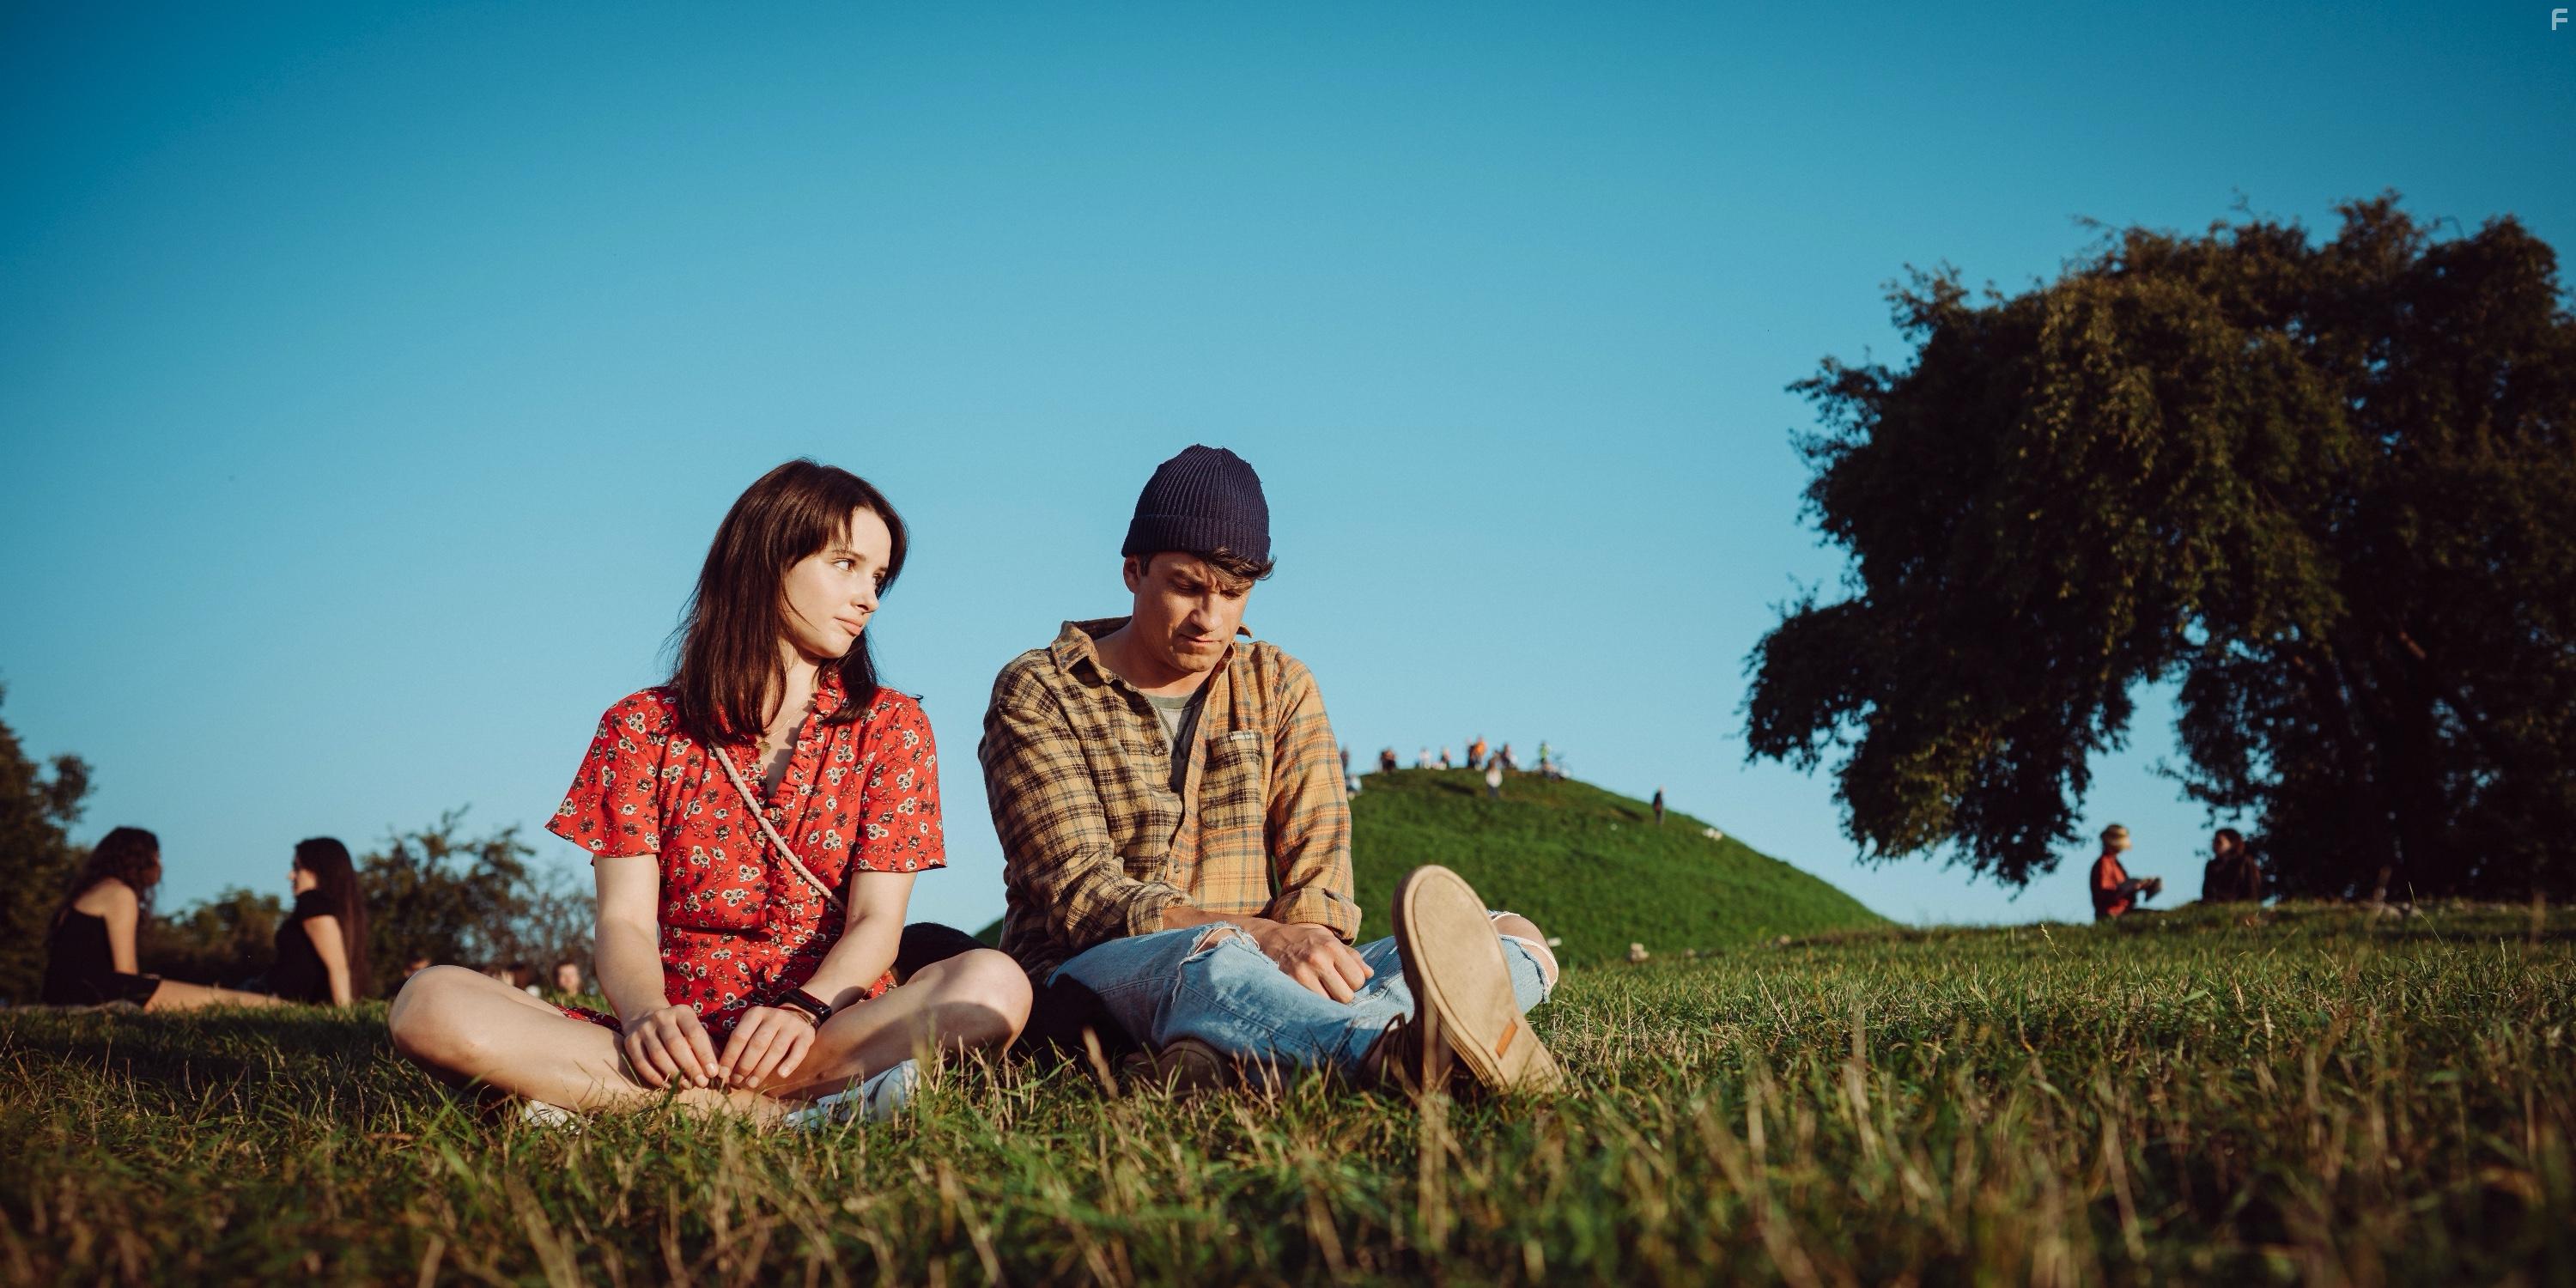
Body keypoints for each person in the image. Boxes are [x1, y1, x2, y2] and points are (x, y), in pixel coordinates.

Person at [389, 459, 1030, 1127]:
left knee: (994, 982)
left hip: (825, 1028)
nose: (868, 596)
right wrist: (647, 1018)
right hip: (670, 1037)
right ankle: (784, 1116)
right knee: (428, 1002)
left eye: (878, 577)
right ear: (766, 558)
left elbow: (877, 922)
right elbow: (624, 922)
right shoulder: (639, 726)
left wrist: (804, 1009)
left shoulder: (891, 725)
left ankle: (619, 1107)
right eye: (845, 564)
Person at [977, 445, 1564, 1095]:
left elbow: (1320, 864)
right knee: (1211, 956)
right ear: (1133, 569)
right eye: (1186, 586)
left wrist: (1306, 941)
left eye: (1234, 593)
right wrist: (1256, 938)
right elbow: (1082, 897)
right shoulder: (1040, 691)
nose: (1211, 618)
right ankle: (1383, 1054)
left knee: (1513, 936)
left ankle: (1232, 1057)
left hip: (1269, 971)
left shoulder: (1280, 683)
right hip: (1099, 976)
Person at [42, 827, 285, 1011]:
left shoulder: (89, 893)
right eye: (156, 857)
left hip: (62, 992)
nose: (160, 865)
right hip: (96, 993)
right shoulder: (119, 894)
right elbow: (125, 970)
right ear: (139, 860)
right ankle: (281, 1006)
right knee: (222, 999)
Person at [264, 837, 374, 1006]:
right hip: (283, 998)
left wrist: (346, 1020)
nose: (290, 876)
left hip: (274, 998)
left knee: (207, 997)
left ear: (319, 871)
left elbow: (338, 968)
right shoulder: (345, 913)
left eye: (297, 868)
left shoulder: (312, 902)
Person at [2089, 824, 2163, 920]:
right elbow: (2105, 894)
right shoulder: (2104, 864)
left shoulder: (2115, 863)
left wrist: (2141, 886)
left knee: (2160, 915)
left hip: (2124, 911)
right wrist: (2130, 888)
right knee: (2156, 918)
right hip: (2112, 914)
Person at [2201, 828, 2263, 903]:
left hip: (2239, 905)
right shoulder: (2211, 865)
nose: (2214, 845)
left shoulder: (2244, 861)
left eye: (2219, 842)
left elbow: (2252, 889)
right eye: (2213, 841)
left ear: (2232, 843)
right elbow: (2207, 892)